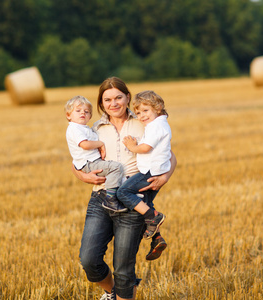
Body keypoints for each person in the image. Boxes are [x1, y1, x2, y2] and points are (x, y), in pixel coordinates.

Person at [72, 77, 177, 300]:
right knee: (89, 259)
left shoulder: (144, 121)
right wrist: (81, 175)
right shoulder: (94, 129)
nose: (114, 103)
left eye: (118, 97)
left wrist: (165, 176)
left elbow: (169, 155)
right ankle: (111, 292)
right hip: (100, 199)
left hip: (133, 199)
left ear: (127, 97)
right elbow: (78, 160)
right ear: (101, 103)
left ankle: (121, 292)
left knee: (124, 269)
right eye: (107, 99)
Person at [118, 90, 171, 241]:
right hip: (157, 170)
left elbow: (146, 147)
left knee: (123, 192)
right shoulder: (159, 124)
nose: (142, 116)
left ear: (158, 107)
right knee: (145, 201)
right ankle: (157, 238)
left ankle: (153, 217)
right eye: (138, 113)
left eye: (145, 111)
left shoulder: (156, 126)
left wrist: (132, 146)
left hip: (150, 171)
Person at [65, 95, 127, 212]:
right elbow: (85, 145)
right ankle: (111, 199)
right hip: (89, 163)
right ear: (68, 115)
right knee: (116, 168)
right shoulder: (75, 129)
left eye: (86, 112)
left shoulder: (84, 128)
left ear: (90, 116)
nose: (82, 113)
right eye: (78, 111)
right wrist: (100, 144)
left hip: (91, 162)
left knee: (114, 170)